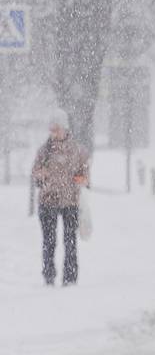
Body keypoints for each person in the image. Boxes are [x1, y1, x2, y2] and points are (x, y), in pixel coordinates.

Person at [31, 109, 90, 286]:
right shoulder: (44, 150)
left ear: (64, 128)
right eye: (51, 129)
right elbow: (35, 172)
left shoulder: (77, 150)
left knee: (70, 241)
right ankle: (49, 276)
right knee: (49, 242)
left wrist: (81, 178)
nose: (53, 133)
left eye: (56, 129)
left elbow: (85, 173)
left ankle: (70, 277)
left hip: (70, 201)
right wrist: (42, 173)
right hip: (48, 201)